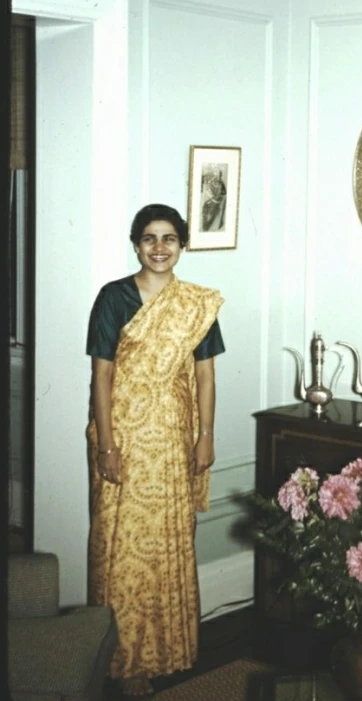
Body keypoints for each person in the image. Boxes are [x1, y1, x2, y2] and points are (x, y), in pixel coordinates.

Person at [85, 203, 225, 697]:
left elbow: (205, 375)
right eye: (149, 238)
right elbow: (101, 375)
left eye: (169, 238)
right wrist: (106, 444)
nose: (159, 248)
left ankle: (166, 651)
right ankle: (125, 663)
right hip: (123, 435)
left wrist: (205, 435)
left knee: (168, 543)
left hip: (171, 438)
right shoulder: (115, 298)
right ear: (136, 243)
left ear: (181, 244)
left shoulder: (196, 304)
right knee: (121, 548)